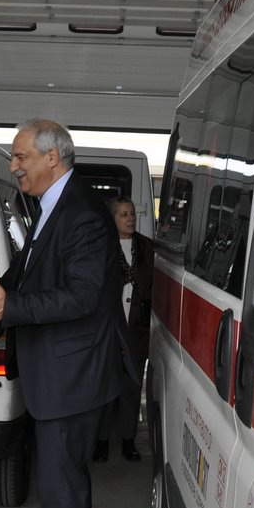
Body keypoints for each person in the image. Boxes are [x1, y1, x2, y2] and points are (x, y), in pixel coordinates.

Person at [0, 118, 133, 508]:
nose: (14, 166)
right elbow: (30, 269)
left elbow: (82, 296)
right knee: (58, 479)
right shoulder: (54, 205)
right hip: (62, 370)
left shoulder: (80, 213)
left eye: (21, 157)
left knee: (63, 484)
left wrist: (10, 308)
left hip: (73, 373)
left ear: (52, 159)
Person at [94, 196, 153, 463]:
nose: (130, 218)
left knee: (131, 387)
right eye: (124, 215)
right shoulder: (102, 245)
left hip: (136, 330)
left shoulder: (147, 248)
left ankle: (128, 441)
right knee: (105, 388)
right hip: (108, 330)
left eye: (132, 214)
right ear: (113, 218)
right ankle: (102, 441)